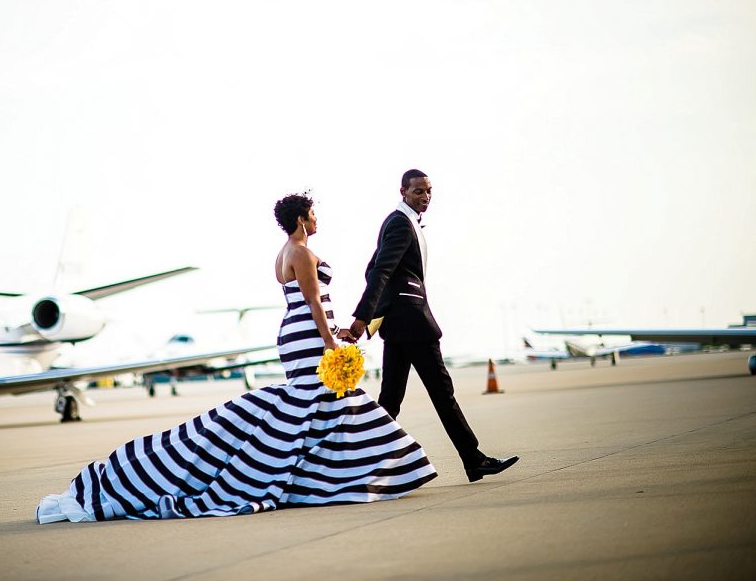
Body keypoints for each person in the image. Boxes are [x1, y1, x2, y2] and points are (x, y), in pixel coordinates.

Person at [35, 193, 437, 524]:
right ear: (301, 219)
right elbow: (314, 301)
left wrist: (339, 331)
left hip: (297, 332)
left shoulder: (284, 252)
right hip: (310, 333)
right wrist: (331, 341)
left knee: (318, 408)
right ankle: (373, 471)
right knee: (327, 403)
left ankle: (343, 476)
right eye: (314, 214)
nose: (318, 220)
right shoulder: (299, 251)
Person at [346, 170, 518, 483]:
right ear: (403, 191)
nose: (425, 197)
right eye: (418, 192)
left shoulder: (401, 221)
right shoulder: (400, 223)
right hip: (414, 325)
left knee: (390, 401)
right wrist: (362, 318)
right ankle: (474, 459)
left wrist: (381, 310)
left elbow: (375, 270)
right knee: (442, 394)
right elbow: (380, 270)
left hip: (400, 325)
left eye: (428, 192)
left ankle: (363, 463)